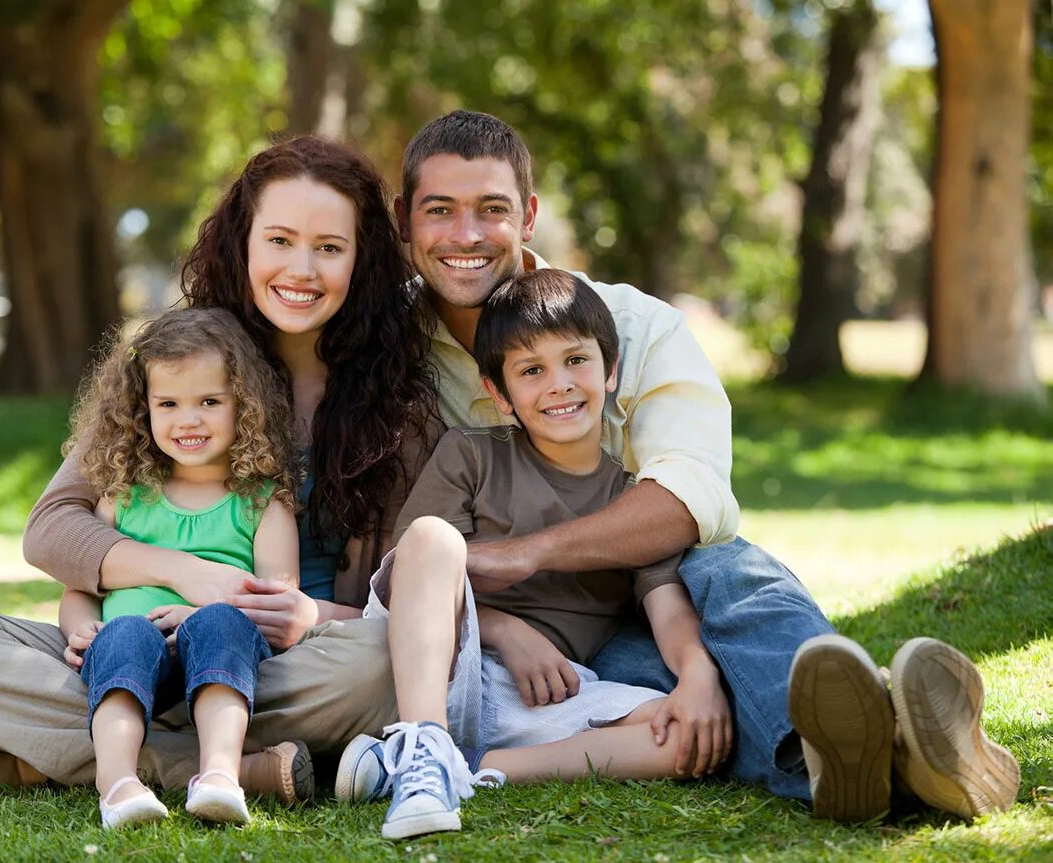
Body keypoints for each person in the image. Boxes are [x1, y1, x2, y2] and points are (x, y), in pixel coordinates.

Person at [387, 109, 1019, 822]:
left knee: (729, 572)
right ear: (405, 218)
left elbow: (684, 505)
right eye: (442, 211)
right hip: (572, 639)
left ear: (528, 215)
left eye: (491, 209)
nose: (467, 236)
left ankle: (864, 753)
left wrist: (524, 554)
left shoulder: (634, 326)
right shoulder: (390, 347)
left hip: (665, 581)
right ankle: (901, 753)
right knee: (688, 701)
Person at [0, 136, 438, 797]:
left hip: (279, 668)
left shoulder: (398, 399)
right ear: (245, 243)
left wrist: (308, 615)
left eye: (329, 247)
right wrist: (189, 574)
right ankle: (233, 766)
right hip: (129, 649)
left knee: (383, 664)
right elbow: (53, 527)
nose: (301, 268)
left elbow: (407, 604)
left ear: (361, 258)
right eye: (280, 240)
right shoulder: (178, 359)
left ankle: (79, 757)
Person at [336, 270, 730, 839]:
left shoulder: (628, 502)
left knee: (678, 733)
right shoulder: (470, 457)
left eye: (576, 360)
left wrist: (697, 674)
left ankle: (471, 772)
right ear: (498, 393)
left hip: (546, 696)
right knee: (430, 538)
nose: (559, 385)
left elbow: (667, 607)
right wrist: (504, 631)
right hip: (443, 665)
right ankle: (423, 746)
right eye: (531, 371)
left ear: (610, 368)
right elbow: (409, 577)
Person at [59, 308, 305, 827]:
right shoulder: (124, 496)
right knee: (124, 636)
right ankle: (118, 784)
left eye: (209, 402)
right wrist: (80, 631)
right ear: (141, 410)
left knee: (220, 625)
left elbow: (276, 601)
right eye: (167, 403)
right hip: (126, 650)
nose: (187, 420)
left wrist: (198, 610)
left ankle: (219, 774)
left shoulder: (263, 503)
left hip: (221, 656)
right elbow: (80, 588)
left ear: (245, 406)